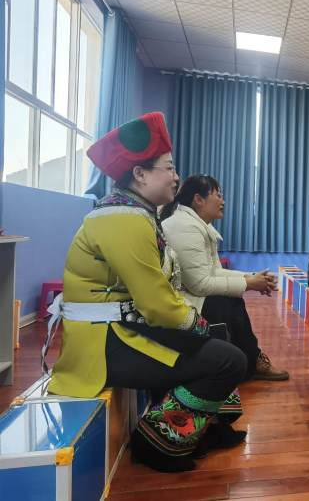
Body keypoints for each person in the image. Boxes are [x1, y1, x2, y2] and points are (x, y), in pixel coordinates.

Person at [46, 113, 247, 473]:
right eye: (169, 168)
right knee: (227, 359)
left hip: (123, 328)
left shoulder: (135, 212)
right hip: (105, 342)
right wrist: (196, 325)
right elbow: (156, 302)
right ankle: (156, 444)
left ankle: (204, 428)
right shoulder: (123, 218)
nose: (175, 177)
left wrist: (198, 326)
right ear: (139, 173)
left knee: (219, 338)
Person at [161, 175, 289, 381]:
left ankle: (248, 362)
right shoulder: (184, 227)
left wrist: (252, 278)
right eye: (218, 195)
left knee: (231, 299)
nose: (223, 201)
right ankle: (243, 363)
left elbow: (214, 271)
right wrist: (249, 283)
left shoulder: (195, 224)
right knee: (225, 302)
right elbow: (200, 284)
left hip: (187, 295)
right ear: (199, 199)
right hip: (176, 304)